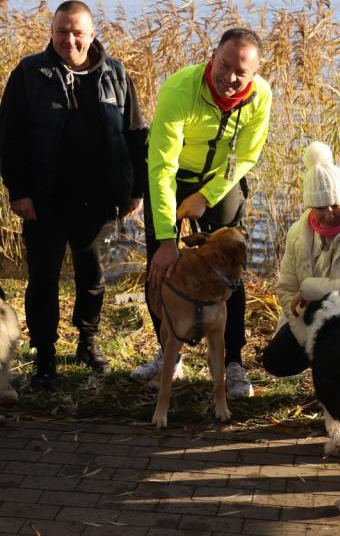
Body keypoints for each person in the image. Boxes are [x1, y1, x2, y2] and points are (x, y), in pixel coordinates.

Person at [0, 0, 147, 387]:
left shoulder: (115, 74)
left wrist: (136, 190)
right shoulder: (30, 73)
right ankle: (44, 355)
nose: (70, 39)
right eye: (62, 31)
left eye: (78, 31)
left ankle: (88, 340)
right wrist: (19, 191)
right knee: (43, 280)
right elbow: (9, 139)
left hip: (98, 201)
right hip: (44, 201)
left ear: (92, 34)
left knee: (92, 277)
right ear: (52, 32)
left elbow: (135, 134)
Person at [132, 27, 273, 400]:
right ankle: (169, 354)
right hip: (172, 175)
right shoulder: (179, 89)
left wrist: (206, 198)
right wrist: (167, 239)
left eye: (240, 72)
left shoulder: (260, 96)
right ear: (213, 56)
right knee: (161, 268)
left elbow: (244, 156)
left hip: (219, 181)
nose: (229, 77)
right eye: (223, 65)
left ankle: (233, 362)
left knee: (232, 264)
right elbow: (160, 168)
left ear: (254, 74)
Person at [262, 141, 340, 377]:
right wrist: (306, 339)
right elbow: (286, 288)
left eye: (335, 205)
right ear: (310, 206)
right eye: (320, 207)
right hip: (311, 320)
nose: (328, 213)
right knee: (275, 360)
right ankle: (320, 362)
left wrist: (308, 289)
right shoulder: (297, 232)